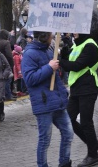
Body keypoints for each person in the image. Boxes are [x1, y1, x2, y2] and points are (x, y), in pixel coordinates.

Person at [21, 31, 73, 167]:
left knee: (68, 133)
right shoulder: (29, 54)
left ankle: (64, 163)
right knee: (45, 140)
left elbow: (56, 77)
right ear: (46, 37)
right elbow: (30, 79)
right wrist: (49, 67)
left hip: (57, 100)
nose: (53, 37)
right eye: (51, 35)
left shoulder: (50, 50)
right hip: (43, 103)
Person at [60, 33, 98, 167]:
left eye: (77, 30)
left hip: (88, 87)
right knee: (68, 119)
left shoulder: (90, 45)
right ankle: (93, 143)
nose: (74, 32)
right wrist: (64, 55)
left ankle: (93, 155)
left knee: (86, 122)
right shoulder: (76, 45)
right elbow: (68, 65)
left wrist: (60, 62)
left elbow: (76, 65)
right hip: (76, 88)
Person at [0, 29, 16, 100]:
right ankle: (8, 95)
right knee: (8, 80)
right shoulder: (6, 42)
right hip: (6, 63)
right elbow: (9, 55)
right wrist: (11, 64)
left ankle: (4, 95)